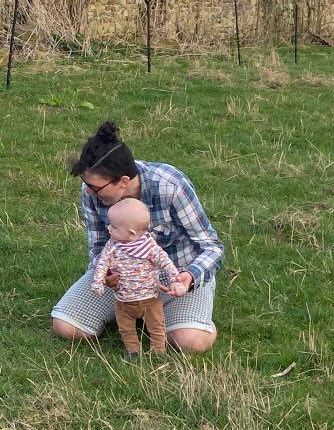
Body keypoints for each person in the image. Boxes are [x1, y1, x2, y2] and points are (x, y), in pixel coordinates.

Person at [52, 121, 223, 353]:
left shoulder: (170, 186)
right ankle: (134, 313)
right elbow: (99, 246)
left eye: (95, 187)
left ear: (123, 181)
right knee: (66, 327)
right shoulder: (92, 192)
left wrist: (189, 277)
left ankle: (191, 318)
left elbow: (212, 247)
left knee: (190, 342)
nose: (89, 191)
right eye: (86, 184)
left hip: (174, 278)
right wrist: (107, 275)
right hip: (122, 282)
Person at [90, 198, 186, 359]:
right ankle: (133, 350)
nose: (108, 228)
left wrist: (176, 280)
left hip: (149, 298)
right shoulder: (112, 244)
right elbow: (103, 262)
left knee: (156, 326)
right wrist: (99, 281)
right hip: (123, 299)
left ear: (131, 233)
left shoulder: (149, 247)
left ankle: (158, 350)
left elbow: (166, 263)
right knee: (126, 328)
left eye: (113, 227)